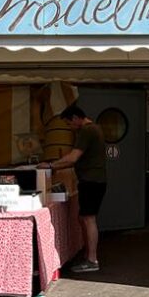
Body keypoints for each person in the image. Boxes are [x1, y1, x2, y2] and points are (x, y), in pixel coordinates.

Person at [40, 105, 106, 273]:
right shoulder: (95, 129)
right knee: (84, 218)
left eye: (69, 123)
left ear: (76, 118)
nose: (70, 128)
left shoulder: (87, 130)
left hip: (91, 181)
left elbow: (73, 157)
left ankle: (92, 259)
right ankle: (88, 256)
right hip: (94, 180)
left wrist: (51, 165)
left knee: (88, 218)